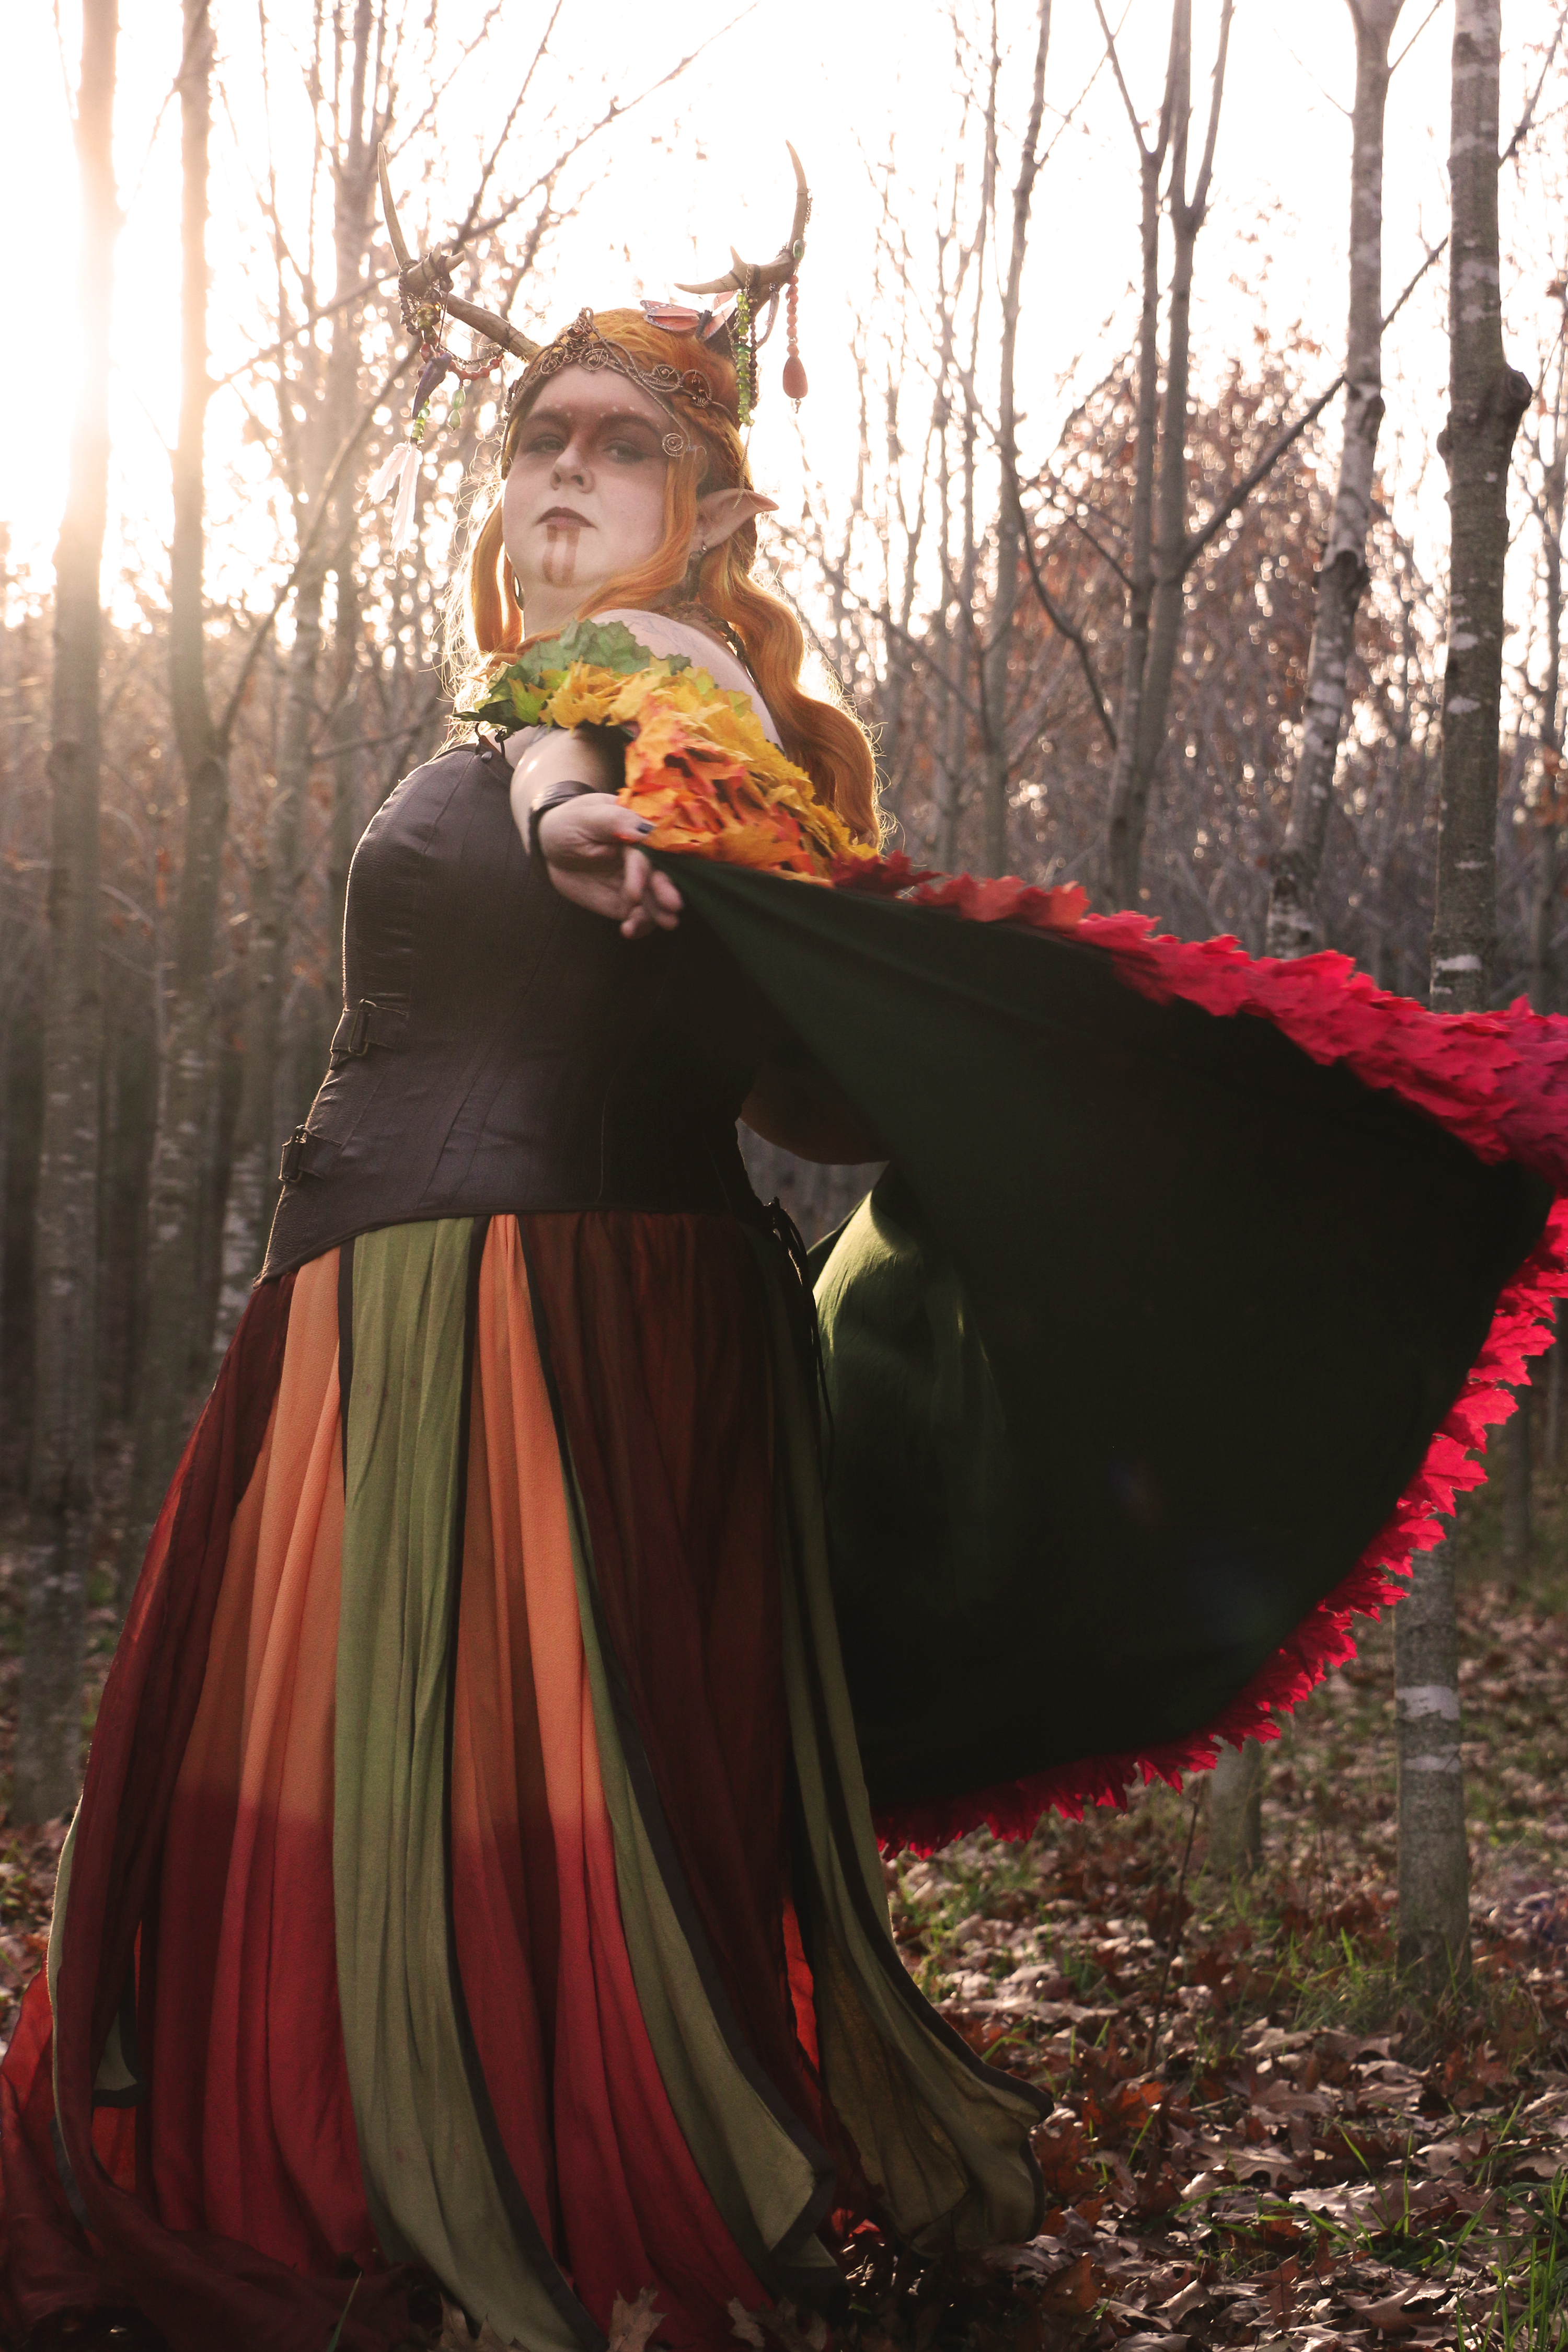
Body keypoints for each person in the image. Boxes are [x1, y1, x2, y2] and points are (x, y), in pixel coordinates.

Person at [7, 181, 1568, 2352]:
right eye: (537, 437)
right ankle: (434, 2165)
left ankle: (479, 2184)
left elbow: (611, 775)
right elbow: (775, 1048)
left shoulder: (654, 679)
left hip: (521, 1311)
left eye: (618, 446)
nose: (560, 471)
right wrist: (638, 852)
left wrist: (593, 824)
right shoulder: (530, 695)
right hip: (445, 1298)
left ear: (716, 512)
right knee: (449, 1778)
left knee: (468, 1781)